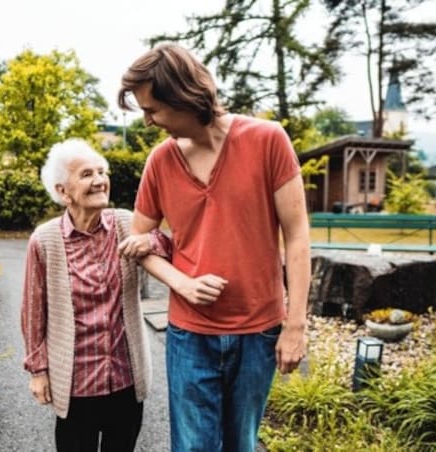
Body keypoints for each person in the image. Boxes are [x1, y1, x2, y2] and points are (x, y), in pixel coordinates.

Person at [116, 43, 312, 452]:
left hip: (258, 330)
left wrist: (295, 326)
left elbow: (297, 235)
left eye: (153, 110)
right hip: (190, 335)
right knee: (192, 446)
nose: (148, 121)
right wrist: (182, 284)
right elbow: (139, 243)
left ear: (183, 96)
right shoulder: (161, 161)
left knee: (240, 443)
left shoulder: (267, 140)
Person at [21, 138, 222, 452]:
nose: (100, 180)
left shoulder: (126, 223)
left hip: (125, 379)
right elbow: (33, 312)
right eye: (87, 174)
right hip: (76, 385)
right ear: (63, 191)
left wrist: (151, 243)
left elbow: (170, 246)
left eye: (102, 172)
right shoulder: (45, 240)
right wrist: (38, 370)